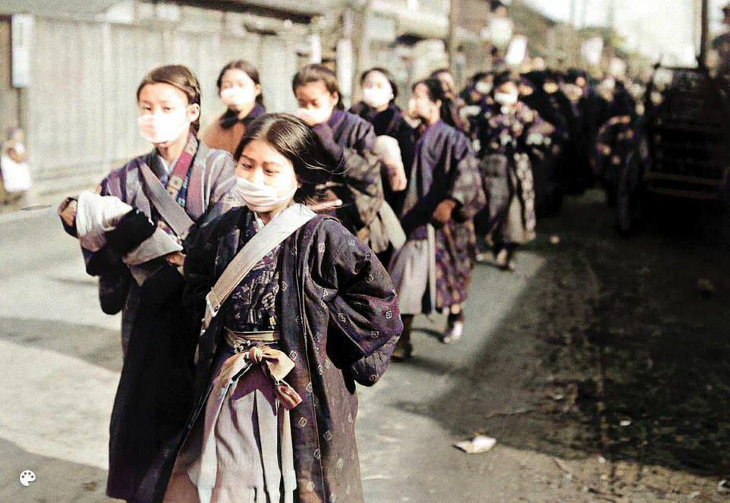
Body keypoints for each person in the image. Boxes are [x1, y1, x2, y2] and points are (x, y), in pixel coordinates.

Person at [157, 113, 402, 503]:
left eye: (271, 170)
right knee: (232, 482)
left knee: (299, 485)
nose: (255, 179)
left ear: (300, 176)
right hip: (233, 378)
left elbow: (377, 302)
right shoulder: (223, 231)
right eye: (246, 165)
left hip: (301, 384)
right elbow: (196, 285)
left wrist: (320, 329)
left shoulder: (325, 236)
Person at [57, 64, 236, 502]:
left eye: (166, 107)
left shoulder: (220, 168)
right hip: (145, 313)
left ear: (192, 112)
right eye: (146, 108)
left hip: (202, 310)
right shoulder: (122, 177)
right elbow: (101, 252)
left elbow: (224, 239)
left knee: (205, 412)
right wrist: (82, 218)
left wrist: (149, 243)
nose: (154, 116)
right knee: (147, 411)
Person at [388, 78, 485, 360]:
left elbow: (468, 174)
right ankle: (402, 340)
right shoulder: (409, 133)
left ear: (436, 103)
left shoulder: (452, 138)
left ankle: (455, 317)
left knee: (448, 279)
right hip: (410, 216)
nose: (413, 102)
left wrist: (450, 201)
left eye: (419, 97)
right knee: (405, 280)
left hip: (440, 223)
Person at [292, 64, 400, 259]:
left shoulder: (357, 127)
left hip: (350, 218)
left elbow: (368, 173)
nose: (308, 110)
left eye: (315, 103)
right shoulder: (296, 127)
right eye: (302, 103)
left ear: (333, 97)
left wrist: (329, 144)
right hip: (308, 215)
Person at [478, 72, 552, 271]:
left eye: (509, 92)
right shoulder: (487, 113)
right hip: (492, 165)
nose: (504, 95)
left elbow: (545, 128)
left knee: (514, 209)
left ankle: (508, 249)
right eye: (501, 91)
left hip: (517, 166)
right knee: (493, 207)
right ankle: (496, 246)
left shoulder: (526, 113)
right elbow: (478, 136)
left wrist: (531, 137)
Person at [349, 67, 415, 215]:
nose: (373, 90)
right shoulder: (352, 117)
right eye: (368, 85)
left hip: (388, 195)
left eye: (379, 86)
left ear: (391, 92)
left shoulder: (400, 124)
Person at [201, 60, 266, 155]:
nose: (234, 91)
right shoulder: (215, 128)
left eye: (241, 85)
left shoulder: (268, 126)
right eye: (227, 86)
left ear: (257, 89)